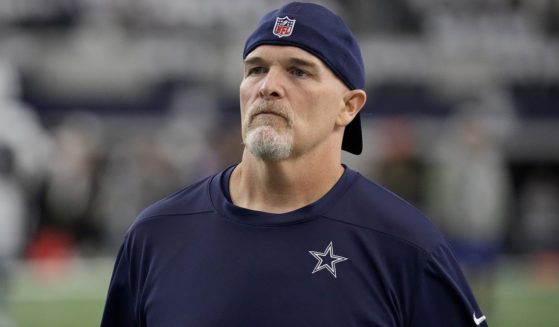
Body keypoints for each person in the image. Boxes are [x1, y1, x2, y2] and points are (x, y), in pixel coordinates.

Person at [100, 2, 487, 326]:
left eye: (298, 71)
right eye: (255, 69)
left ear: (348, 107)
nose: (267, 86)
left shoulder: (406, 247)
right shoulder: (155, 235)